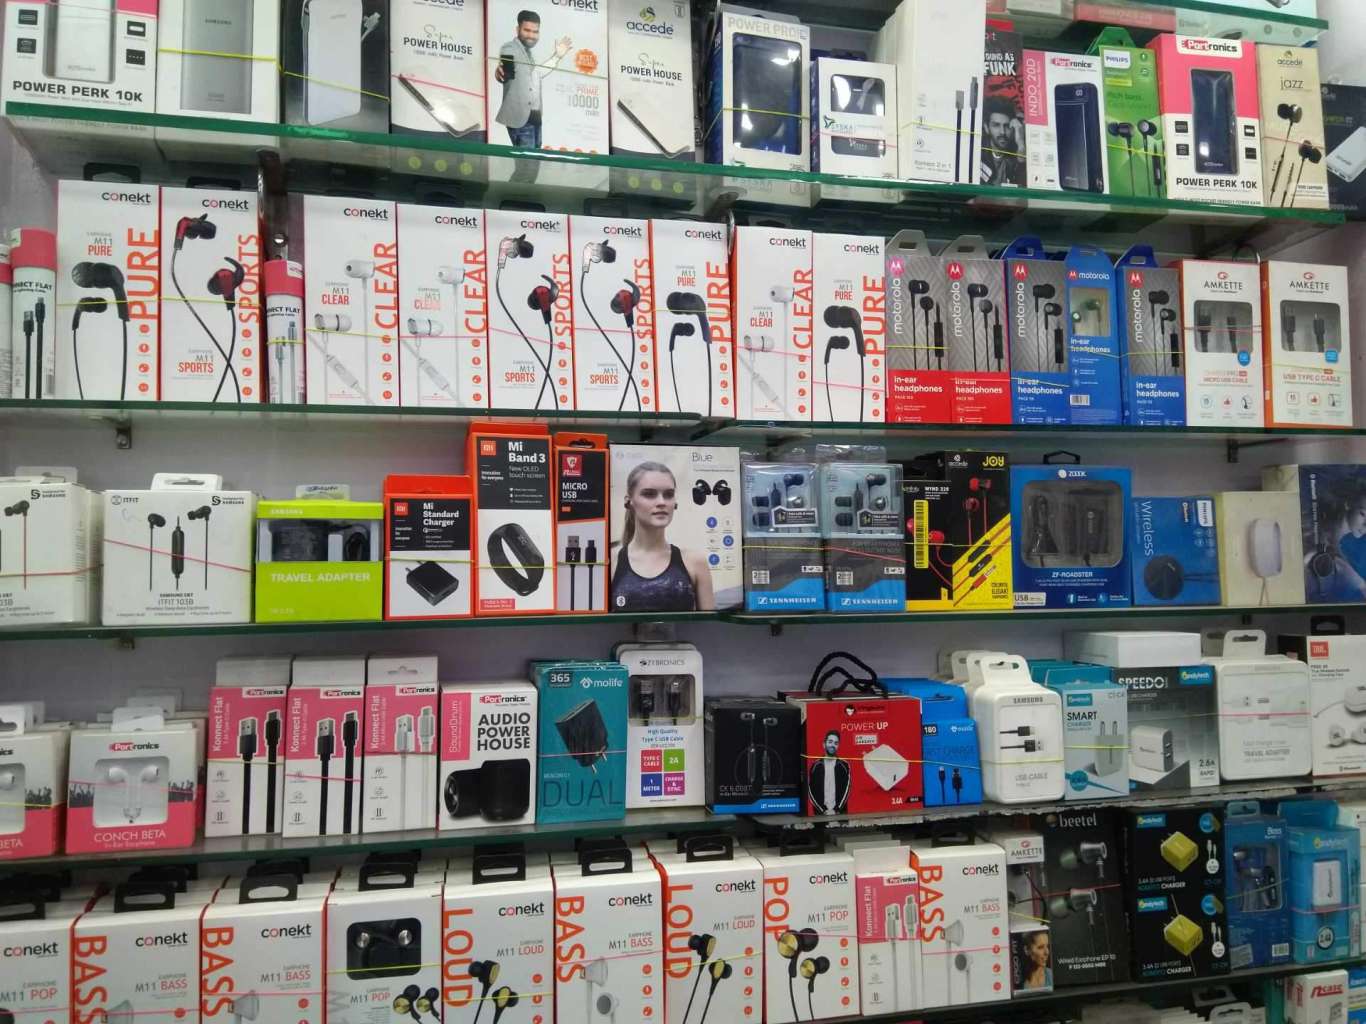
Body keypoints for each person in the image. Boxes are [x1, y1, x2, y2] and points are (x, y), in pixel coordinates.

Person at [611, 461, 716, 612]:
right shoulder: (611, 562)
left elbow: (710, 626)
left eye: (668, 495)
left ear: (675, 503)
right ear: (629, 501)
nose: (661, 502)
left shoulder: (695, 562)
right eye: (649, 494)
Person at [494, 10, 572, 149]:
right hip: (521, 119)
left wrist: (557, 57)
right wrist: (500, 72)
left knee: (534, 161)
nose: (531, 35)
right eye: (527, 30)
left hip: (534, 117)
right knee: (527, 162)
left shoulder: (527, 53)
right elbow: (507, 71)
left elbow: (536, 74)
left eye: (535, 32)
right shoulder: (510, 48)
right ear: (518, 29)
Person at [1309, 477, 1366, 600]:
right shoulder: (1327, 535)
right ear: (1348, 504)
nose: (1365, 525)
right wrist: (1361, 585)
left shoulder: (1339, 541)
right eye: (1363, 514)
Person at [980, 95, 1025, 187]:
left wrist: (1021, 143)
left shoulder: (1014, 157)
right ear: (986, 128)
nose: (1002, 132)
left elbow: (1024, 186)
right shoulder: (979, 156)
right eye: (996, 125)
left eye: (1007, 126)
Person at [807, 730, 850, 814]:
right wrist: (822, 810)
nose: (833, 745)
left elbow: (846, 790)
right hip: (820, 814)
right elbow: (811, 790)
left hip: (839, 813)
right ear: (824, 744)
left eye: (836, 743)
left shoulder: (844, 765)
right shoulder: (816, 765)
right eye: (830, 742)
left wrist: (836, 810)